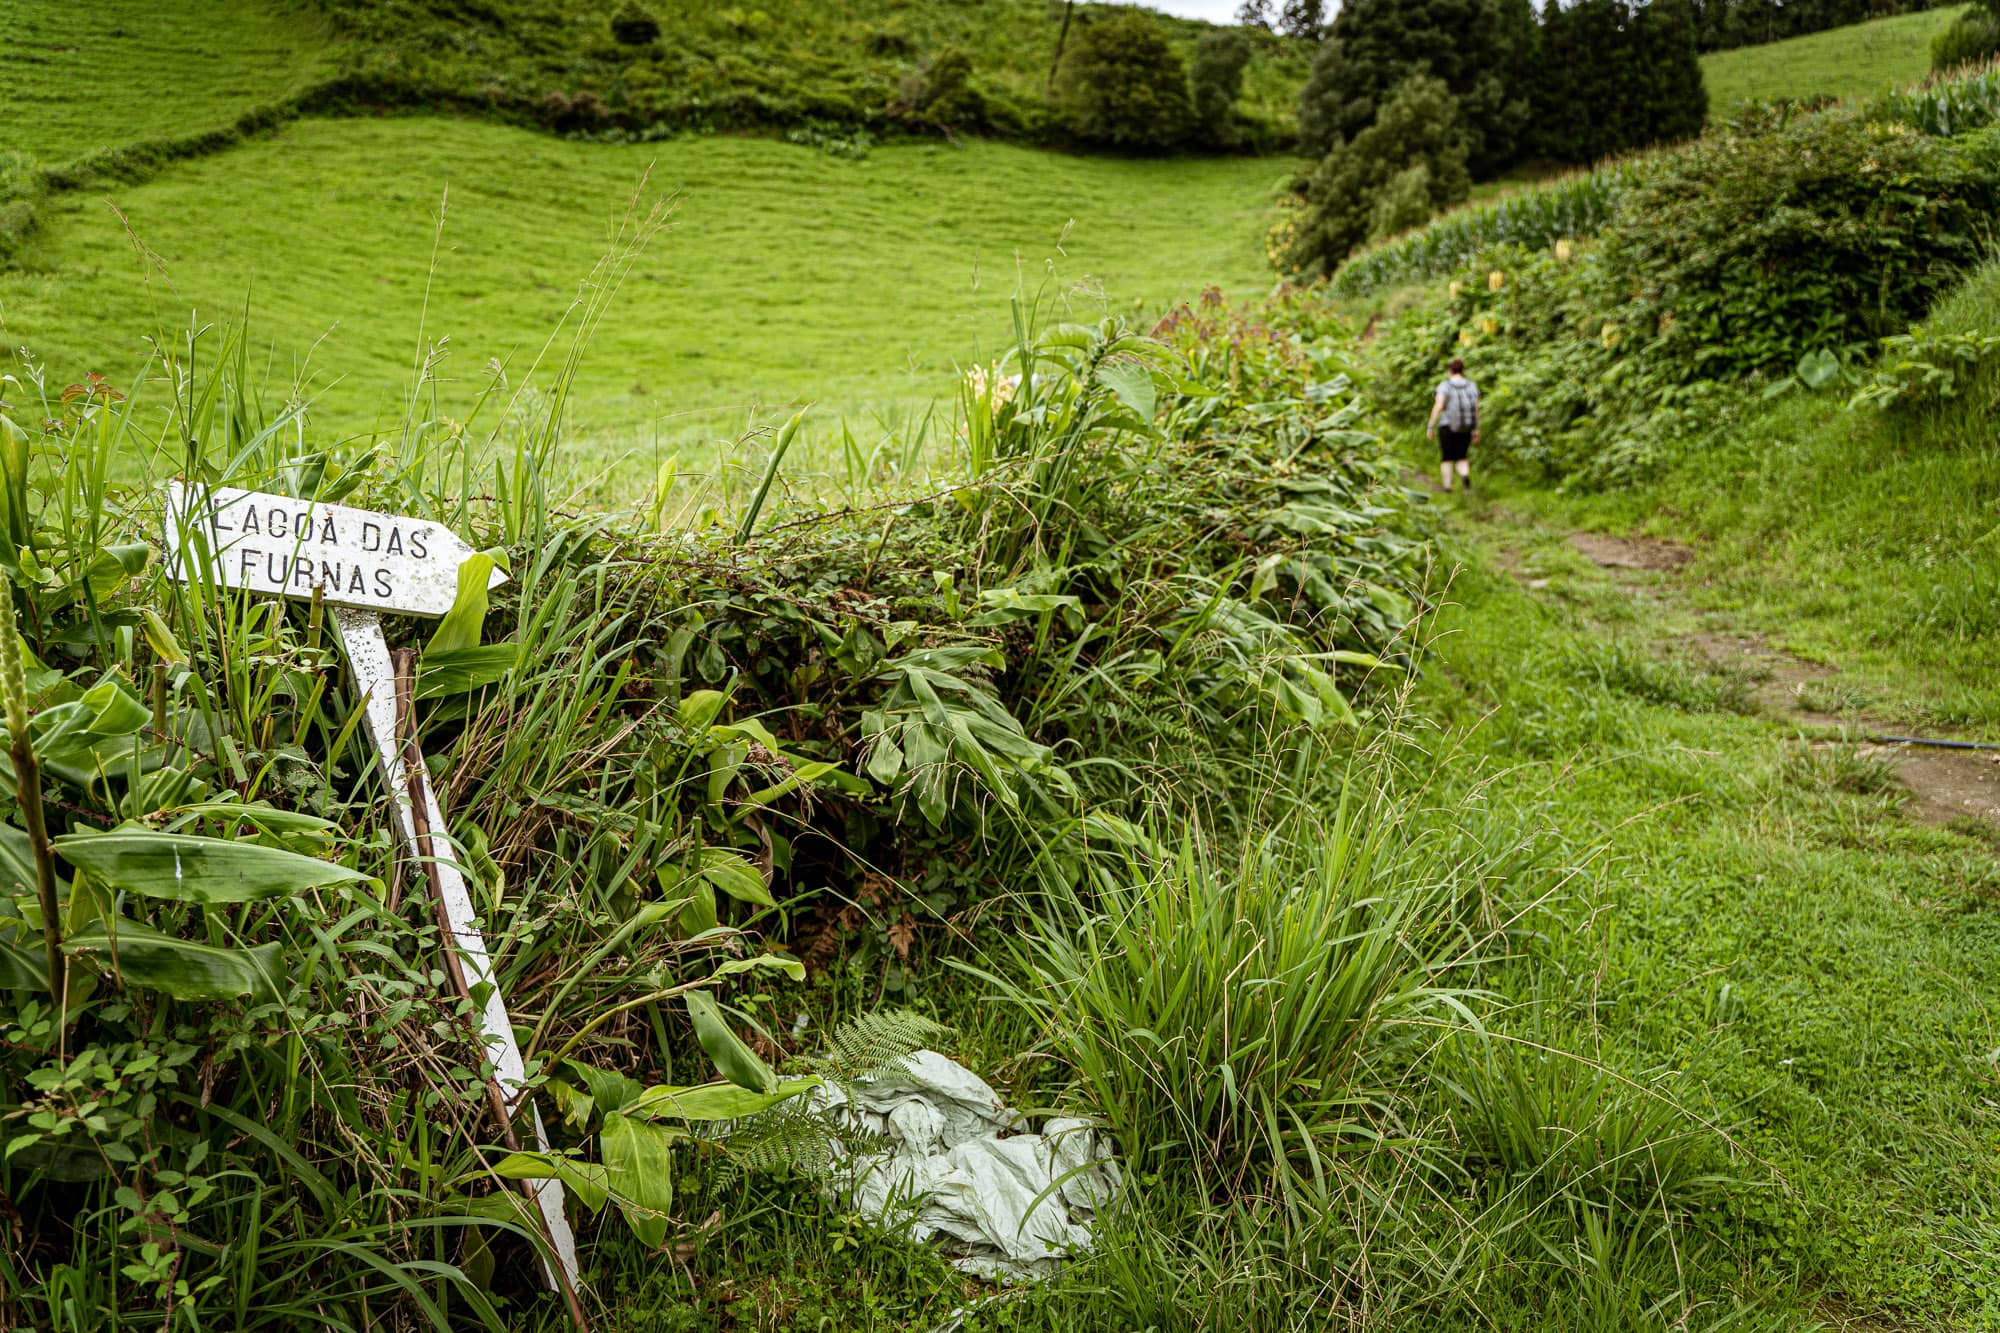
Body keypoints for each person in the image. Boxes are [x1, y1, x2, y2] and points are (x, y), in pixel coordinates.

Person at [1426, 358, 1479, 493]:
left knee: (1447, 457)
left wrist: (1431, 425)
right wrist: (1476, 429)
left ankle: (1447, 487)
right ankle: (1465, 478)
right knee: (1462, 456)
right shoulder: (1472, 386)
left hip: (1447, 426)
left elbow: (1439, 405)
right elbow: (1476, 408)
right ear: (1463, 371)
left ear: (1450, 371)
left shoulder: (1445, 385)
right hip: (1466, 426)